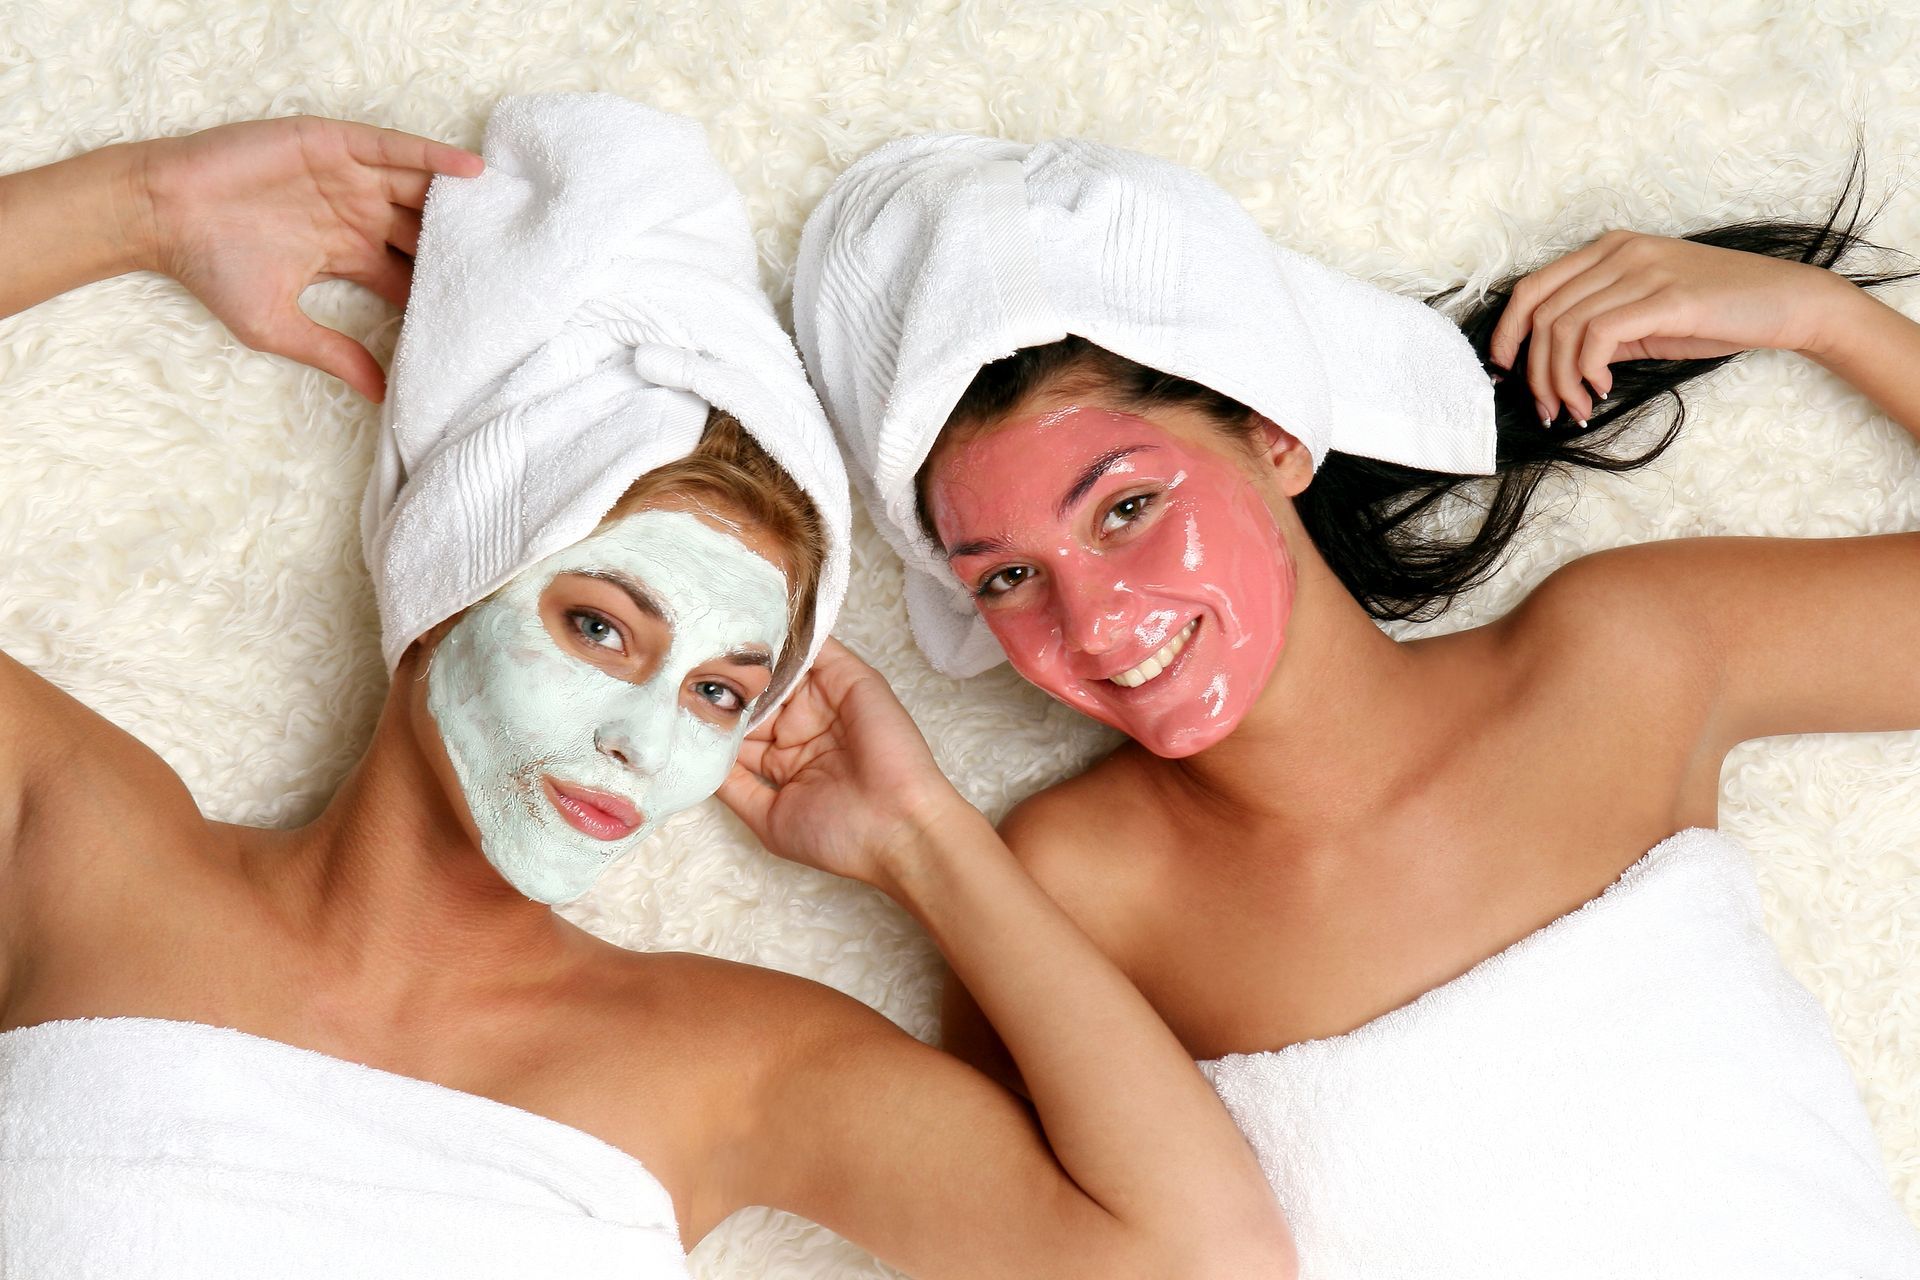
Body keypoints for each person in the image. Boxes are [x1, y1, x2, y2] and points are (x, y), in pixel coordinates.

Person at [0, 99, 1294, 1278]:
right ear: (448, 582)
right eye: (601, 630)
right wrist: (140, 208)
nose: (639, 738)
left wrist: (924, 839)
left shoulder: (725, 1063)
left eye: (722, 695)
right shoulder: (93, 849)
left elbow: (1203, 1259)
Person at [794, 132, 1920, 1276]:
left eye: (1127, 507)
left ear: (1276, 436)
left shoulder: (1624, 661)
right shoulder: (1071, 885)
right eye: (1007, 577)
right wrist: (916, 839)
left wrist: (1824, 317)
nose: (1089, 621)